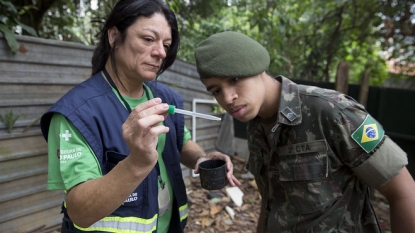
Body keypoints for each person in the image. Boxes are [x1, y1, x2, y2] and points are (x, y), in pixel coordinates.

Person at [40, 1, 240, 232]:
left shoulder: (165, 98)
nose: (161, 52)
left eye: (166, 44)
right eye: (148, 39)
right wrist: (136, 163)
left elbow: (180, 141)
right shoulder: (77, 113)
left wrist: (201, 159)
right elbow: (80, 212)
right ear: (114, 35)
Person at [194, 31, 415, 232]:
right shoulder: (256, 126)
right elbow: (271, 202)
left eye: (234, 79)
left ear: (257, 66)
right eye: (216, 91)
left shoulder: (331, 111)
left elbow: (404, 193)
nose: (227, 98)